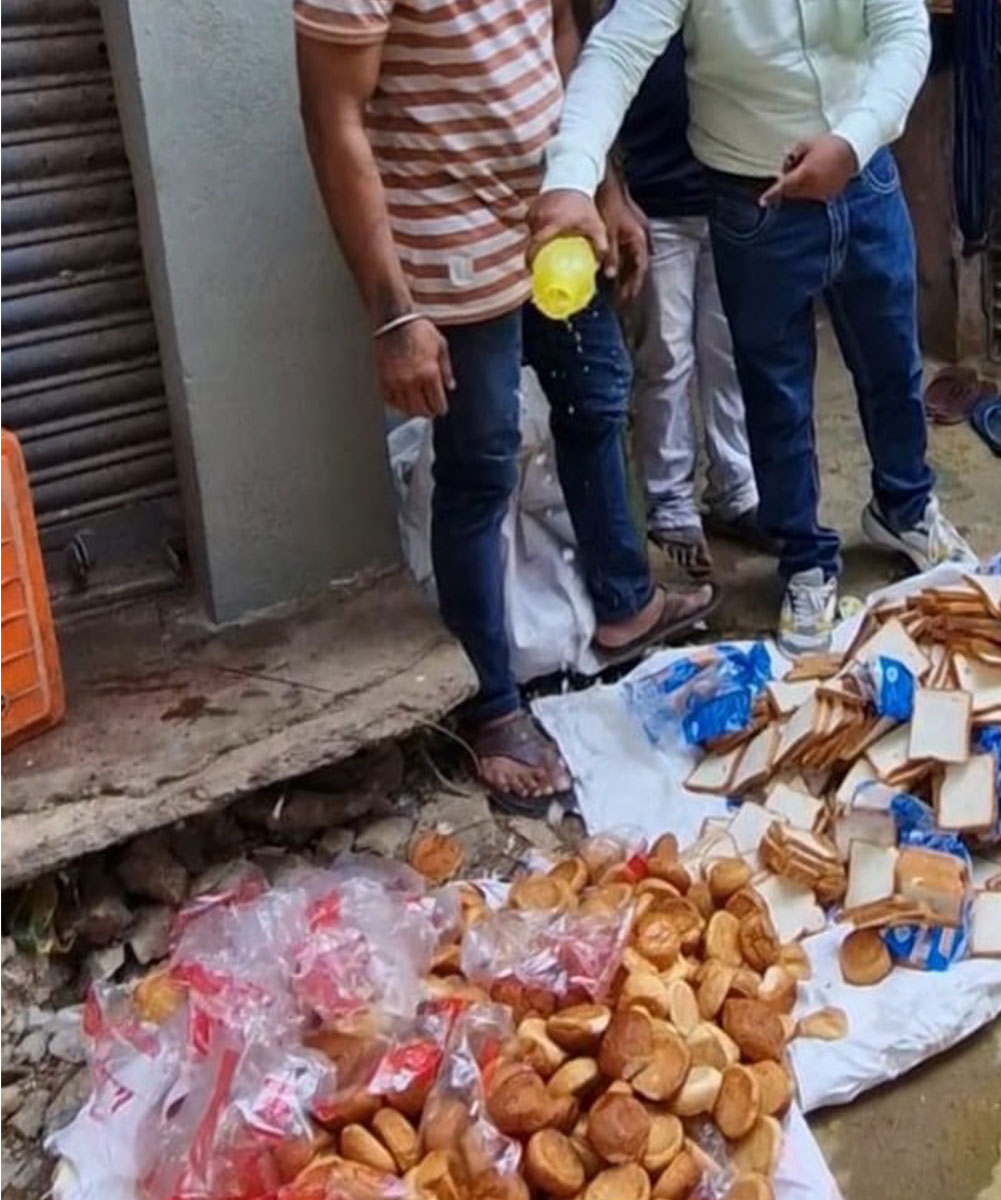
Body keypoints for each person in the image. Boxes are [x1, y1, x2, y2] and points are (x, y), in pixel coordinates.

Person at [294, 0, 718, 808]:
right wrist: (393, 315)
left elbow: (562, 38)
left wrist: (604, 184)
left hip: (554, 210)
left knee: (596, 401)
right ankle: (491, 701)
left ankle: (625, 606)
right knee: (481, 465)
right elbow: (331, 117)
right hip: (449, 239)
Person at [531, 0, 977, 654]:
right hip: (755, 200)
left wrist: (851, 143)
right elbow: (615, 53)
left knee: (892, 365)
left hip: (867, 180)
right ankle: (804, 560)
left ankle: (905, 509)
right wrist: (573, 174)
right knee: (776, 394)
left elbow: (904, 29)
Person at [617, 33, 773, 580]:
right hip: (656, 205)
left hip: (730, 198)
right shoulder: (633, 17)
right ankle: (670, 501)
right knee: (666, 357)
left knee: (727, 353)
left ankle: (736, 488)